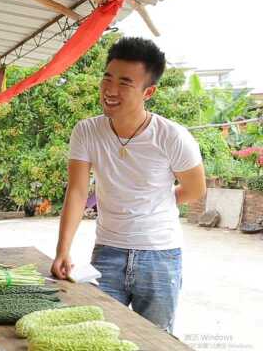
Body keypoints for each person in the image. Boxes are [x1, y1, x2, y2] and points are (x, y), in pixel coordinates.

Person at [50, 37, 207, 333]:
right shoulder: (86, 131)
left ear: (149, 91)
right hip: (108, 251)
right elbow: (78, 191)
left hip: (159, 255)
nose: (110, 89)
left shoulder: (173, 136)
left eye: (125, 83)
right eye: (107, 78)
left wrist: (159, 200)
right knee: (99, 335)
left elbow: (196, 190)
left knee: (155, 339)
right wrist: (63, 250)